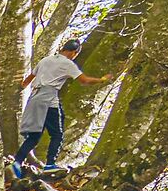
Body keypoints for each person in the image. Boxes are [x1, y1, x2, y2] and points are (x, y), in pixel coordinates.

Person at [18, 39, 115, 172]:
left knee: (34, 136)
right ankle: (50, 164)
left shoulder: (45, 60)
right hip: (49, 100)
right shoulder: (67, 64)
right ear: (74, 53)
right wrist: (102, 80)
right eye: (75, 54)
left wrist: (20, 88)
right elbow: (84, 81)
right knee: (57, 134)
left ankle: (16, 163)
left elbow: (28, 80)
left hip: (34, 98)